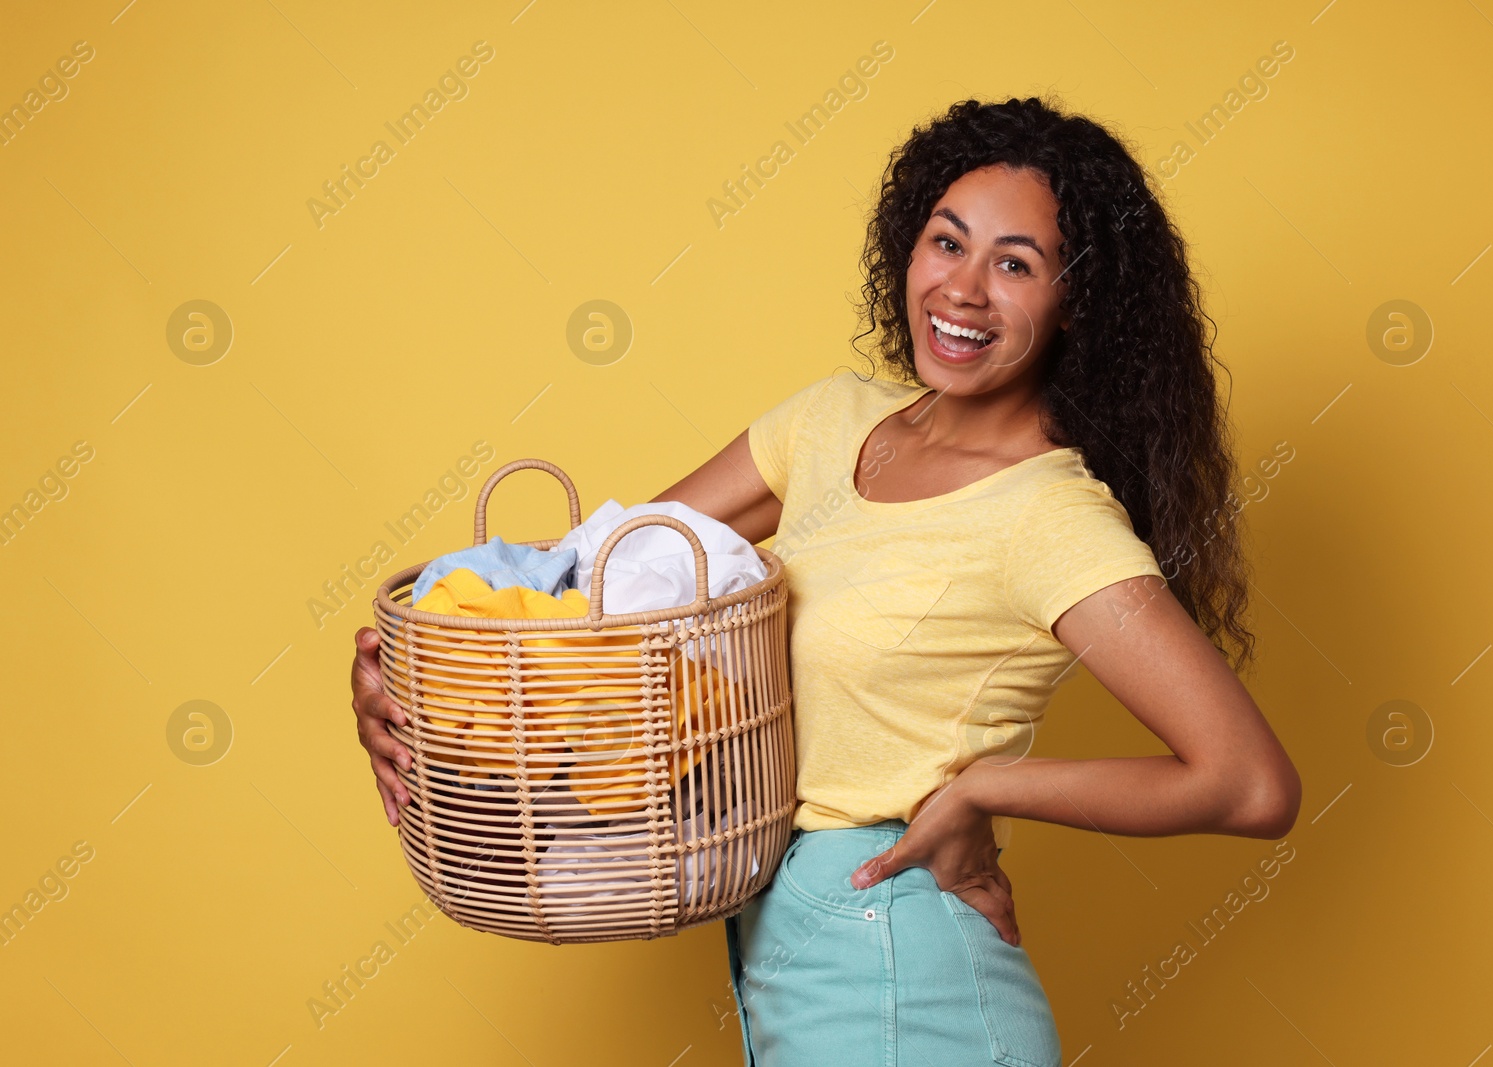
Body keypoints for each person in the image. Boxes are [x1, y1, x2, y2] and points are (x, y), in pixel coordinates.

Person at [348, 96, 1301, 1066]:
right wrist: (406, 667)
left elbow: (1247, 781)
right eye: (947, 242)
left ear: (1078, 303)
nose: (962, 290)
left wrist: (989, 786)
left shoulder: (1048, 517)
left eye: (1014, 264)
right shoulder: (827, 422)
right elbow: (594, 593)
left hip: (899, 960)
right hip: (797, 945)